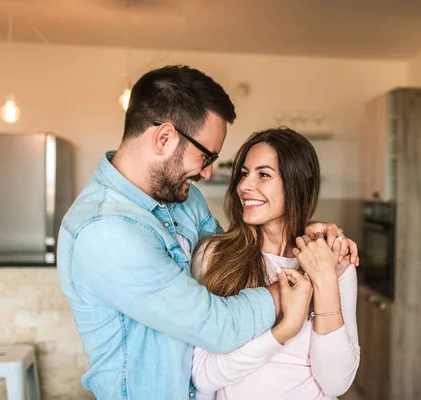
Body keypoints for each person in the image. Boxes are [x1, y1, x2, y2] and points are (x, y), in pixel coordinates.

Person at [56, 65, 359, 399]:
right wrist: (306, 282)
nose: (208, 172)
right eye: (206, 155)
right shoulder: (105, 230)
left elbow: (230, 253)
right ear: (164, 138)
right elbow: (217, 324)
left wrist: (312, 237)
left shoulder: (184, 198)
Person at [190, 127, 360, 400]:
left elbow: (336, 383)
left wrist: (325, 280)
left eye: (264, 174)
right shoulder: (214, 257)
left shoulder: (333, 261)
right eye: (244, 174)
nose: (244, 186)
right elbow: (203, 375)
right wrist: (284, 330)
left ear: (297, 183)